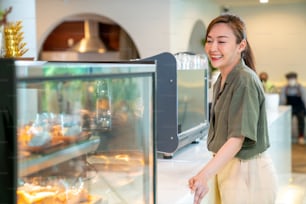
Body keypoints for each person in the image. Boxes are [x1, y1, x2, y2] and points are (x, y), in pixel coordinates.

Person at [188, 14, 277, 204]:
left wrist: (204, 174)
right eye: (210, 41)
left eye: (222, 42)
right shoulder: (221, 80)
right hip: (230, 170)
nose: (213, 48)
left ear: (241, 45)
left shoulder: (244, 80)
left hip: (248, 173)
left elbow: (237, 139)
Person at [280, 72, 306, 144]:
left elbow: (304, 98)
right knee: (287, 122)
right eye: (289, 79)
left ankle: (301, 137)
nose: (291, 81)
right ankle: (286, 137)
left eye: (292, 79)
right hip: (289, 108)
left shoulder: (300, 88)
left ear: (295, 79)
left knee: (301, 120)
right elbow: (282, 99)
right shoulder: (285, 88)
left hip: (299, 108)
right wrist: (280, 109)